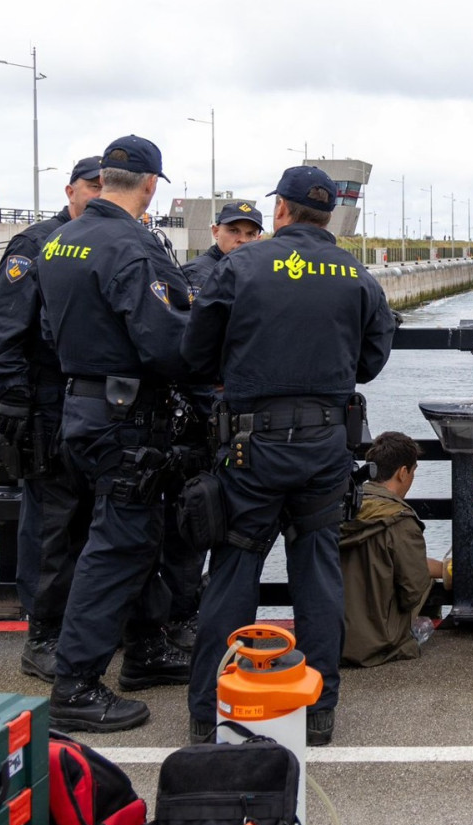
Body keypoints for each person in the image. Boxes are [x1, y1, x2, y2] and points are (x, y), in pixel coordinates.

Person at [182, 165, 396, 747]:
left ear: (280, 210)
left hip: (252, 446)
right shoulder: (356, 276)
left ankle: (211, 710)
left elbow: (196, 353)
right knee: (317, 572)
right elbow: (372, 361)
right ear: (327, 215)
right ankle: (319, 710)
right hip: (326, 443)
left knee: (233, 569)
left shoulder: (240, 266)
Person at [35, 135, 193, 733]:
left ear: (102, 178)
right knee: (118, 544)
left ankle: (146, 650)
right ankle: (75, 683)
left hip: (81, 407)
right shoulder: (134, 248)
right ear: (150, 186)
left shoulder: (60, 242)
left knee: (131, 536)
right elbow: (166, 344)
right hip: (127, 416)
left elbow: (51, 331)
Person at [0, 155, 102, 682]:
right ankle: (44, 636)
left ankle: (86, 629)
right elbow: (2, 333)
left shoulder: (109, 244)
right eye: (90, 186)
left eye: (105, 186)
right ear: (70, 189)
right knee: (52, 525)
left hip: (96, 404)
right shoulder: (36, 245)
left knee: (97, 521)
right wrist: (15, 402)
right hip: (48, 406)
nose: (98, 195)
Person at [149, 200, 268, 651]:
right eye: (234, 231)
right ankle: (180, 617)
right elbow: (191, 354)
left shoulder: (250, 272)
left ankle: (195, 611)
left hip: (231, 417)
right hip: (200, 419)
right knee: (193, 522)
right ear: (216, 231)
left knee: (220, 522)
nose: (241, 239)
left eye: (249, 233)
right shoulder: (198, 276)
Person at [339, 431, 444, 667]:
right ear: (403, 472)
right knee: (424, 578)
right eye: (413, 472)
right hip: (376, 643)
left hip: (330, 639)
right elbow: (413, 592)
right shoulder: (401, 521)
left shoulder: (341, 508)